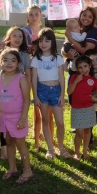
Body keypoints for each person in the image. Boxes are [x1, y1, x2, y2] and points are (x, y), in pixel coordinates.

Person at [0, 26, 31, 159]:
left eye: (20, 36)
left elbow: (28, 72)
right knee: (4, 120)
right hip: (3, 88)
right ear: (9, 38)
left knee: (17, 118)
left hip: (18, 89)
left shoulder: (24, 54)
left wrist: (27, 88)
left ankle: (19, 144)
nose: (17, 38)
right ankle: (4, 149)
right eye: (14, 36)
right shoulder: (3, 53)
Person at [0, 48, 34, 183]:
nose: (9, 63)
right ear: (0, 62)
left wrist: (22, 118)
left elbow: (27, 100)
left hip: (17, 118)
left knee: (20, 144)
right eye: (5, 60)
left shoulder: (22, 79)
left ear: (19, 63)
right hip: (4, 117)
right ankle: (12, 168)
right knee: (8, 142)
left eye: (13, 60)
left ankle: (27, 170)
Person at [32, 28, 69, 159]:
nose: (43, 44)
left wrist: (62, 95)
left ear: (52, 42)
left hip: (56, 91)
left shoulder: (57, 58)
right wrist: (35, 96)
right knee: (45, 120)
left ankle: (61, 147)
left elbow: (62, 76)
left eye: (47, 41)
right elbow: (34, 78)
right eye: (41, 41)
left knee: (60, 122)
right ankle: (50, 148)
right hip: (42, 91)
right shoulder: (36, 59)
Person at [20, 4, 53, 151]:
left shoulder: (42, 32)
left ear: (41, 16)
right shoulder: (24, 31)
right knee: (34, 102)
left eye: (36, 14)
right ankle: (35, 135)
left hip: (42, 71)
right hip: (29, 71)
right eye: (31, 14)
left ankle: (42, 134)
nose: (33, 17)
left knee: (40, 103)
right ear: (27, 16)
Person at [67, 55, 97, 160]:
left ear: (90, 66)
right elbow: (69, 91)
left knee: (87, 131)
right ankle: (76, 152)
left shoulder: (93, 80)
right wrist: (76, 81)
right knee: (79, 132)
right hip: (77, 110)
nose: (83, 69)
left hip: (89, 109)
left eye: (85, 66)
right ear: (77, 69)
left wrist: (96, 99)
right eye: (80, 67)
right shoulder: (74, 77)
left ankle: (85, 151)